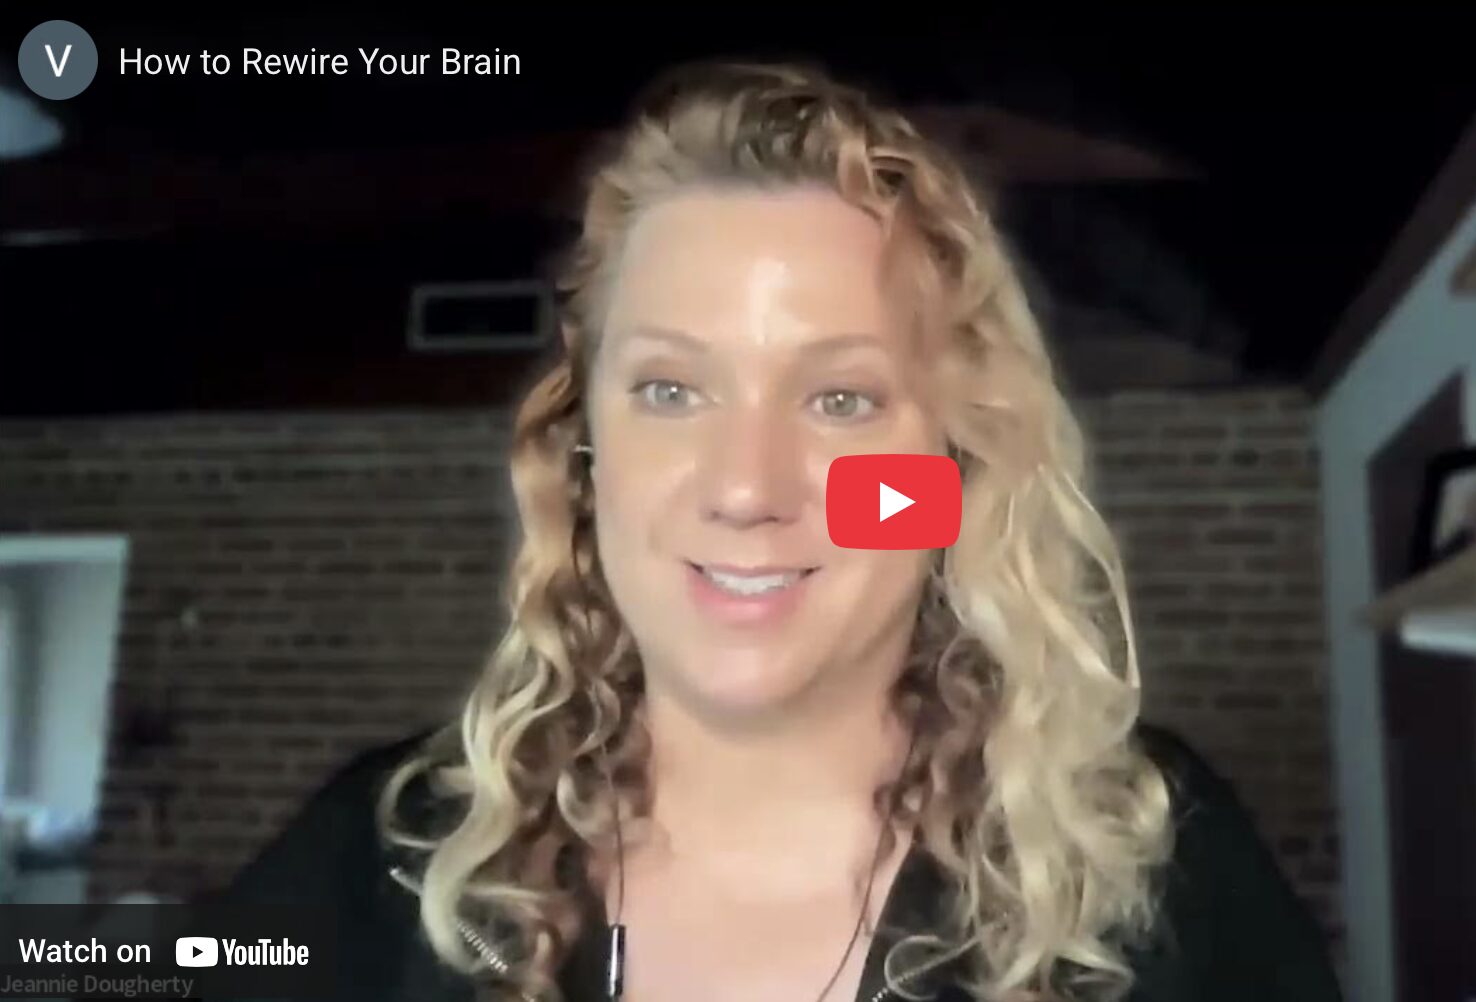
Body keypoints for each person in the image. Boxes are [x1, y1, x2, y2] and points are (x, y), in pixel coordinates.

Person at [215, 60, 1344, 1002]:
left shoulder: (1160, 873)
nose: (746, 488)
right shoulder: (375, 863)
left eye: (841, 400)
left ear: (951, 470)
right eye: (669, 391)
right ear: (585, 450)